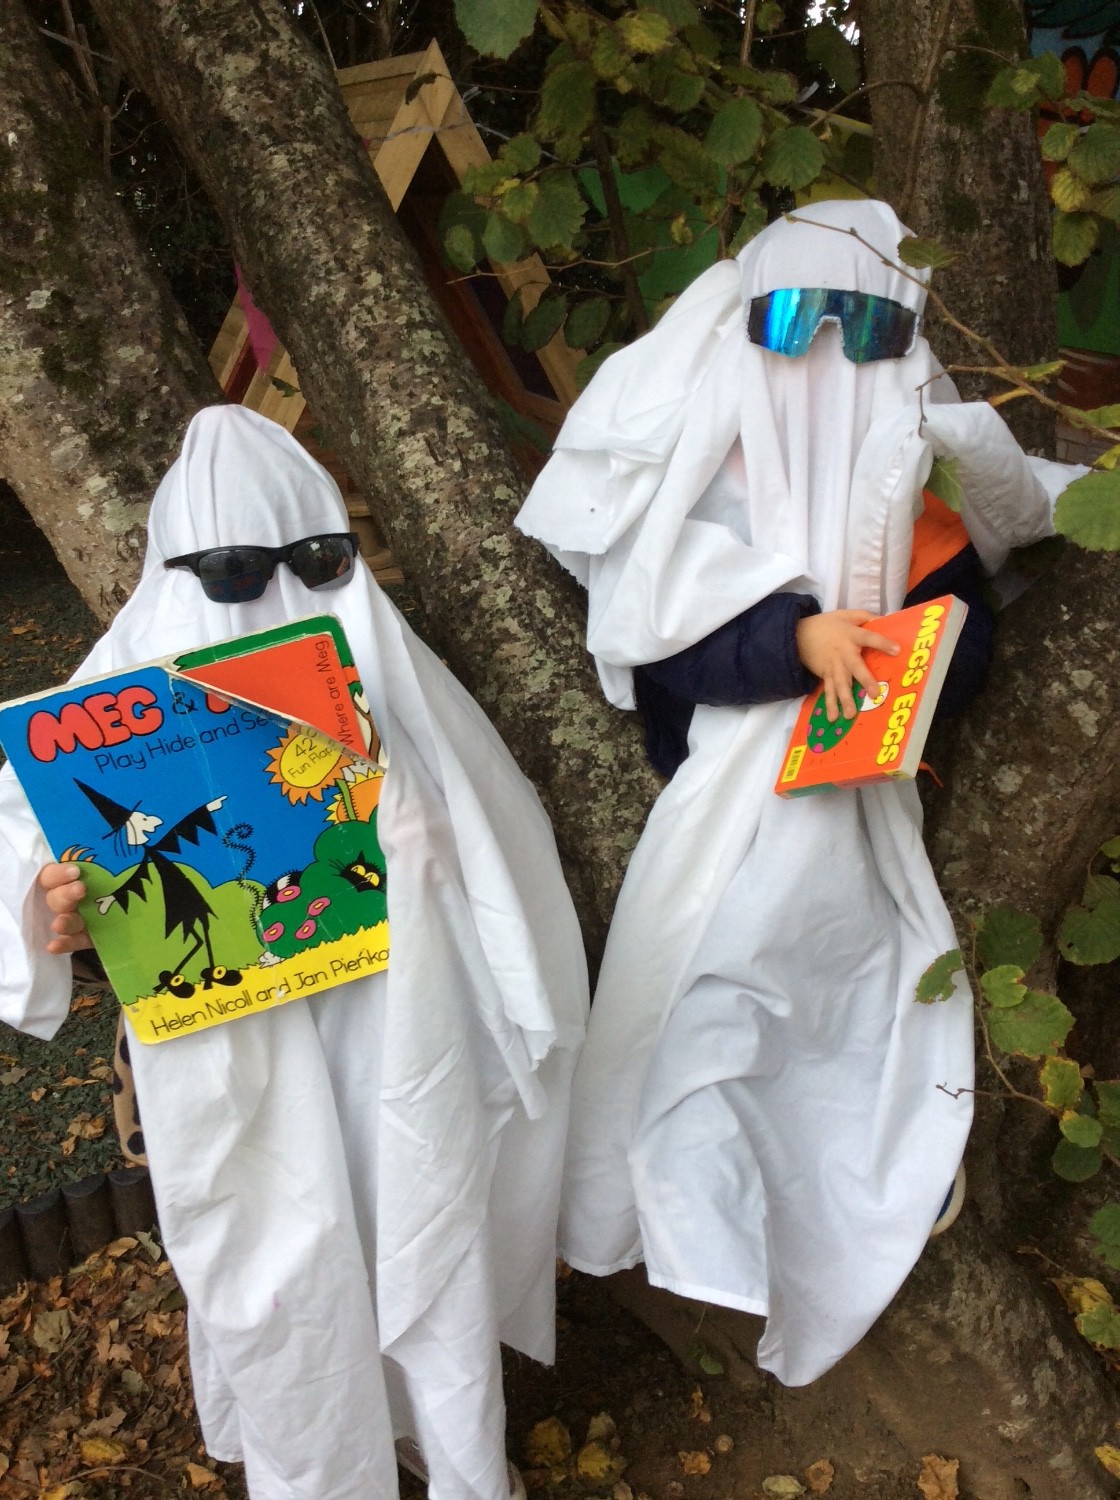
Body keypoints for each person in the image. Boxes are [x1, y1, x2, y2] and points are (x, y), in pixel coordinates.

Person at [515, 199, 1075, 1387]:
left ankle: (851, 1180)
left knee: (840, 960)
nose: (826, 356)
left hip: (864, 764)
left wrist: (912, 659)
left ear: (904, 335)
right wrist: (793, 639)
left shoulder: (906, 467)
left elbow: (960, 612)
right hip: (735, 766)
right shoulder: (710, 456)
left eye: (865, 329)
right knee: (723, 964)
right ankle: (708, 1201)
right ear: (744, 322)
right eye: (793, 323)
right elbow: (664, 633)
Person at [0, 405, 589, 1500]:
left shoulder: (398, 685)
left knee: (424, 1244)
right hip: (231, 1073)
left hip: (402, 1056)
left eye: (316, 561)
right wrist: (55, 914)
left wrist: (419, 836)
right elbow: (31, 882)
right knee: (283, 1277)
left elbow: (506, 862)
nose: (279, 592)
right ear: (177, 574)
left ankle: (454, 1460)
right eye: (234, 573)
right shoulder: (95, 709)